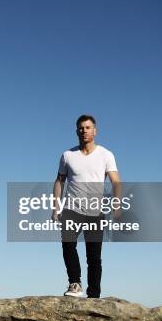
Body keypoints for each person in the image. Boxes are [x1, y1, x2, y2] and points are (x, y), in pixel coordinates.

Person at [51, 114, 121, 298]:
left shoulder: (106, 155)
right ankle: (75, 284)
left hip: (95, 212)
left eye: (88, 127)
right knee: (68, 245)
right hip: (71, 209)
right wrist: (55, 207)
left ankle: (94, 295)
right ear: (77, 131)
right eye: (81, 128)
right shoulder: (67, 155)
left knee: (94, 257)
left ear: (95, 131)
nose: (84, 130)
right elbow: (59, 181)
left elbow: (116, 182)